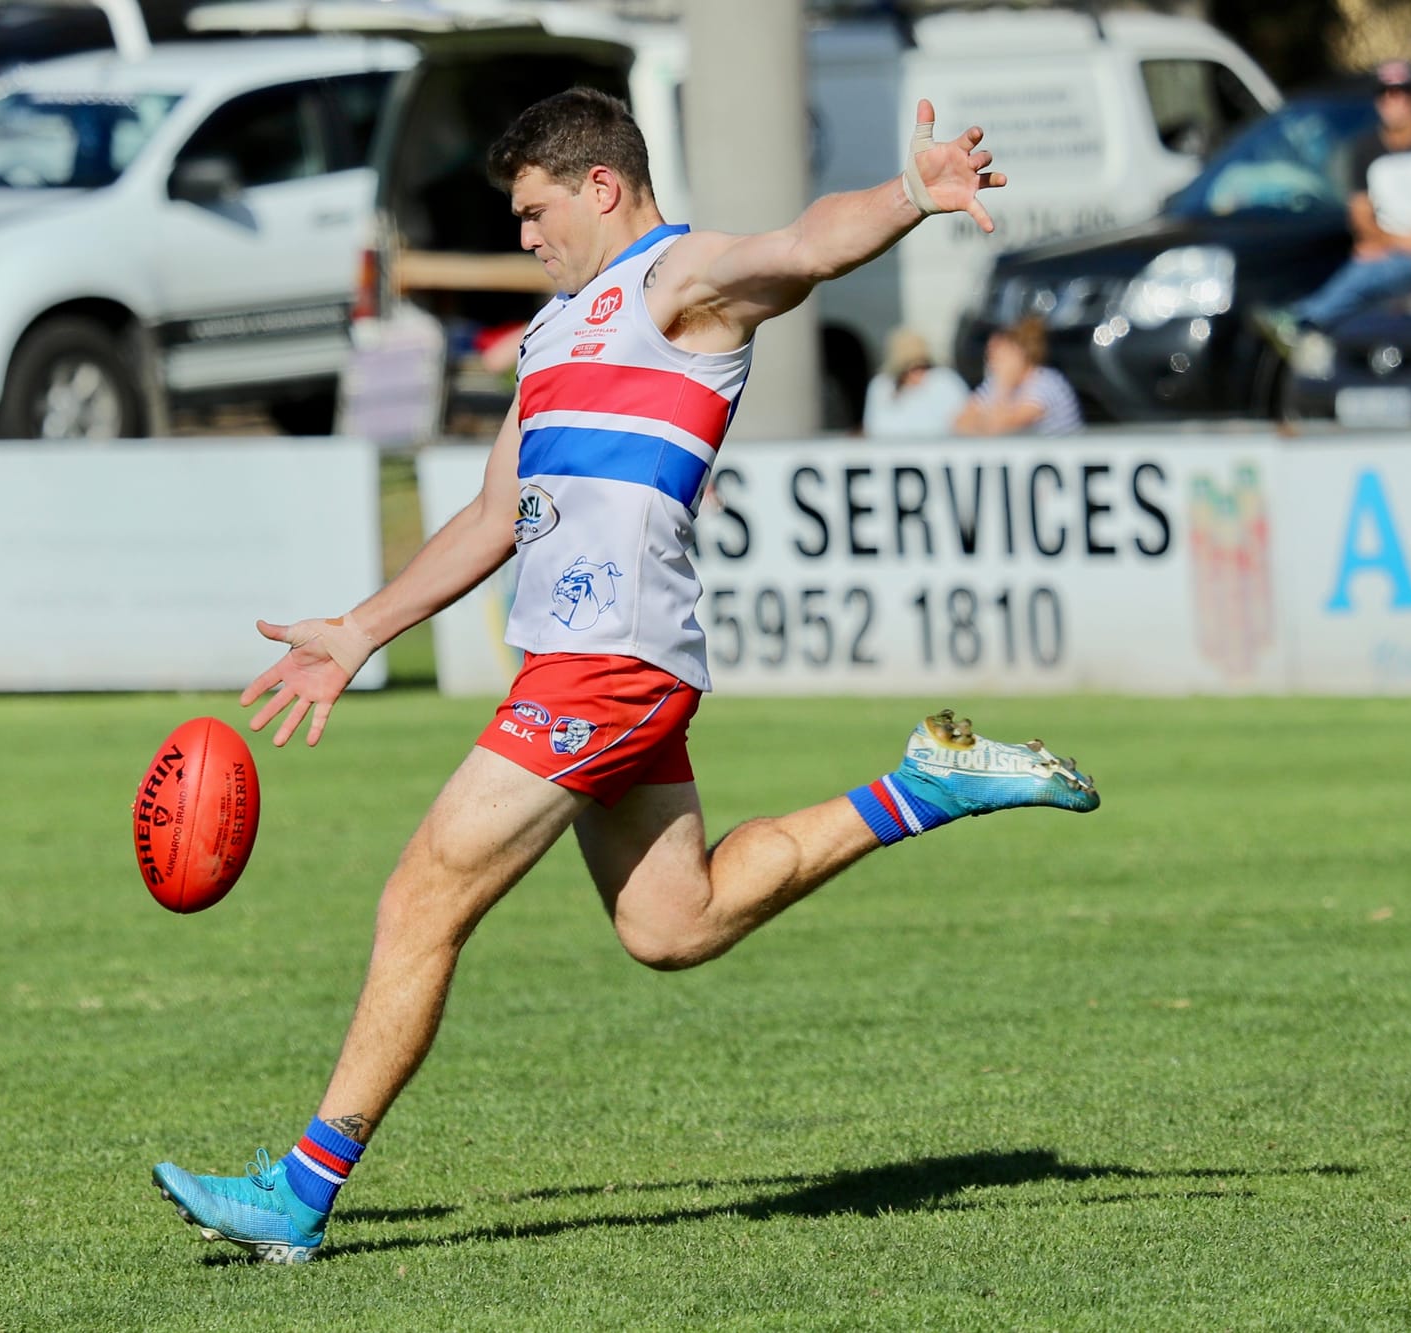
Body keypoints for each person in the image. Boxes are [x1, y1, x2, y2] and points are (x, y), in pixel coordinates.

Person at [151, 87, 1101, 1263]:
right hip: (578, 664)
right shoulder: (551, 336)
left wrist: (911, 194)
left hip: (608, 665)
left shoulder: (675, 283)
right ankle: (924, 787)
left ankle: (296, 1194)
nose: (523, 235)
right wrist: (360, 628)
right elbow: (494, 512)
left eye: (533, 209)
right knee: (672, 923)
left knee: (420, 897)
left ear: (600, 185)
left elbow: (802, 245)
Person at [1268, 59, 1411, 343]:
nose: (1393, 101)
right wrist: (1390, 242)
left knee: (1372, 272)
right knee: (1368, 269)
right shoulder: (1365, 149)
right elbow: (1360, 214)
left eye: (1400, 93)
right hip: (1382, 251)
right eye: (1385, 94)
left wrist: (1404, 243)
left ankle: (1306, 318)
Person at [953, 317, 1084, 436]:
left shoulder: (1046, 383)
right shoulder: (994, 383)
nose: (992, 363)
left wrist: (1003, 385)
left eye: (997, 355)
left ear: (1019, 353)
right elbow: (960, 423)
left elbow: (1000, 427)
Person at [861, 327, 969, 438]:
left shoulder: (944, 381)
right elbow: (871, 429)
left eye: (921, 366)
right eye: (907, 368)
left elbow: (965, 424)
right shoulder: (881, 386)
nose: (915, 374)